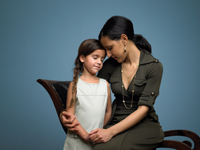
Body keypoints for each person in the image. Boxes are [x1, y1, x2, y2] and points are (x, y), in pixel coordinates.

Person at [61, 16, 164, 150]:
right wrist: (64, 114)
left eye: (110, 48)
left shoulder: (153, 67)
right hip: (115, 120)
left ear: (124, 39)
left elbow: (143, 110)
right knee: (97, 147)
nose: (108, 55)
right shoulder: (110, 64)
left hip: (144, 125)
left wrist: (110, 131)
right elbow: (91, 90)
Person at [62, 39, 112, 150]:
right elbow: (70, 117)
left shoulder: (105, 85)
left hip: (97, 141)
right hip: (77, 141)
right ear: (82, 58)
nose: (99, 62)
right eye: (95, 57)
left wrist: (98, 132)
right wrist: (85, 135)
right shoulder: (74, 85)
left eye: (102, 59)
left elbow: (108, 111)